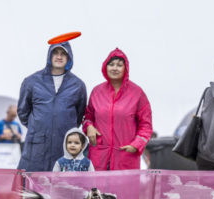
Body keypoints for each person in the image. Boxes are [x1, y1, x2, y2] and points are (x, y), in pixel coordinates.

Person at [17, 41, 87, 172]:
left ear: (69, 57)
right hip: (37, 146)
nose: (59, 57)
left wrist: (61, 126)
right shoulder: (31, 81)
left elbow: (79, 115)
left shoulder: (78, 85)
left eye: (63, 54)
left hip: (63, 144)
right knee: (33, 187)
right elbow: (23, 112)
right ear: (49, 55)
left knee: (63, 187)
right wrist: (39, 126)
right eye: (55, 53)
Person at [84, 48, 153, 170]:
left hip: (125, 156)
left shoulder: (137, 93)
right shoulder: (96, 91)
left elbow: (146, 125)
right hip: (99, 156)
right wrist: (89, 127)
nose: (114, 68)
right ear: (105, 67)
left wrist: (136, 145)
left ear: (125, 68)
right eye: (111, 64)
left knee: (124, 189)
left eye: (119, 65)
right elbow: (88, 117)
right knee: (98, 189)